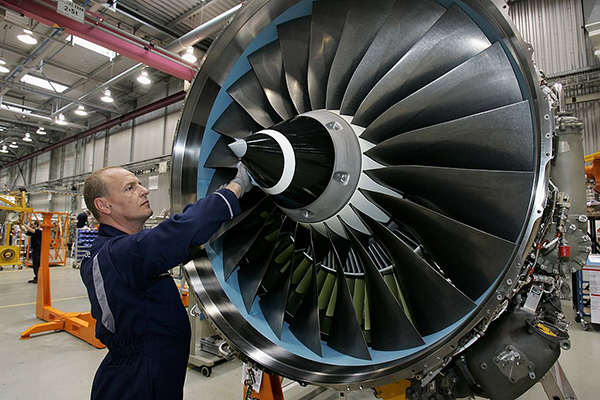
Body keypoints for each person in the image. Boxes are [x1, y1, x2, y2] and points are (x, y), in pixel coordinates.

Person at [80, 164, 252, 400]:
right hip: (138, 381)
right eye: (130, 187)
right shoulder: (118, 253)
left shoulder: (113, 251)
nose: (144, 190)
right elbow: (176, 234)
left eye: (139, 183)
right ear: (104, 205)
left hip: (151, 371)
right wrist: (235, 188)